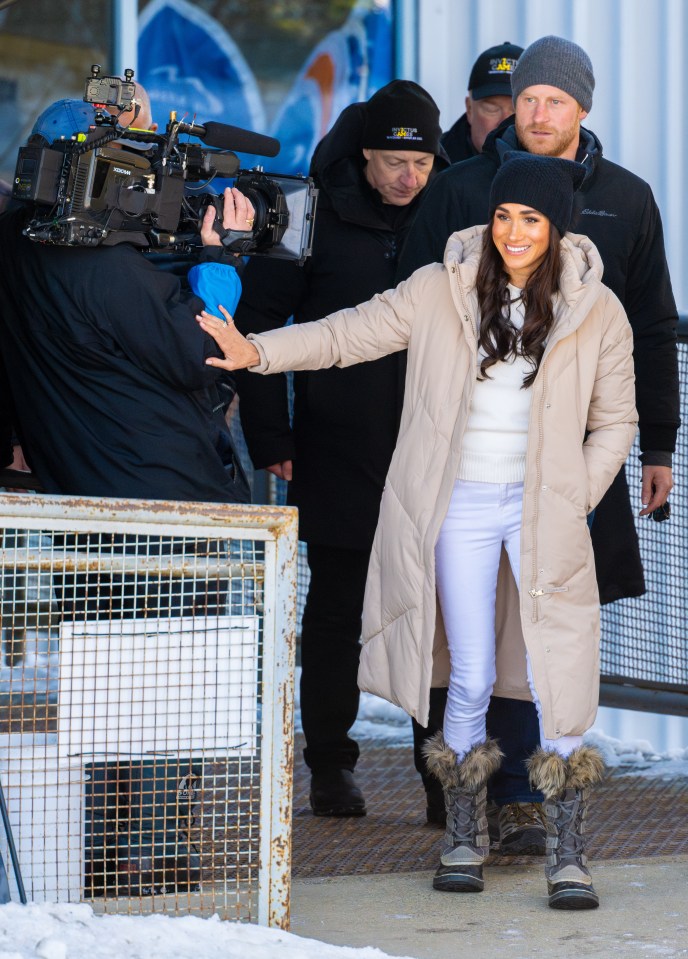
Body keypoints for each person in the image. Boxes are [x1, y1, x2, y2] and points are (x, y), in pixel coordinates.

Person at [195, 152, 638, 908]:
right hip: (460, 502)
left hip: (544, 511)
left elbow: (615, 420)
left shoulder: (597, 310)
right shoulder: (442, 288)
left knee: (550, 672)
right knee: (465, 671)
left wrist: (572, 497)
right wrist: (258, 353)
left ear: (557, 225)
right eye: (503, 215)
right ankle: (461, 832)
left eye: (531, 218)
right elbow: (348, 333)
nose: (514, 232)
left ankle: (568, 850)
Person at [396, 34, 680, 856]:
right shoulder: (457, 193)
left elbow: (655, 327)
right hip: (464, 465)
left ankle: (523, 798)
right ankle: (459, 797)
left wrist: (656, 444)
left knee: (538, 631)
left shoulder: (626, 198)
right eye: (527, 98)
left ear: (583, 108)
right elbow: (402, 323)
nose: (539, 112)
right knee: (461, 635)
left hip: (563, 468)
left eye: (556, 100)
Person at [231, 80, 449, 817]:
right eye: (393, 162)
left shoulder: (450, 217)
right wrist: (271, 435)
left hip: (432, 453)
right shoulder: (307, 213)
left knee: (438, 618)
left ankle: (442, 776)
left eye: (419, 165)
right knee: (336, 613)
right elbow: (258, 318)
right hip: (334, 448)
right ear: (364, 155)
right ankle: (330, 763)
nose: (407, 178)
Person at [0, 97, 254, 503]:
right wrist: (222, 258)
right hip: (159, 498)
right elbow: (202, 352)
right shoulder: (101, 265)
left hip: (73, 491)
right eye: (139, 146)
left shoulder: (15, 240)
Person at [441, 40, 523, 162]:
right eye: (492, 109)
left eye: (517, 112)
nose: (504, 124)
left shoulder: (557, 164)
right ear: (469, 109)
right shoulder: (432, 166)